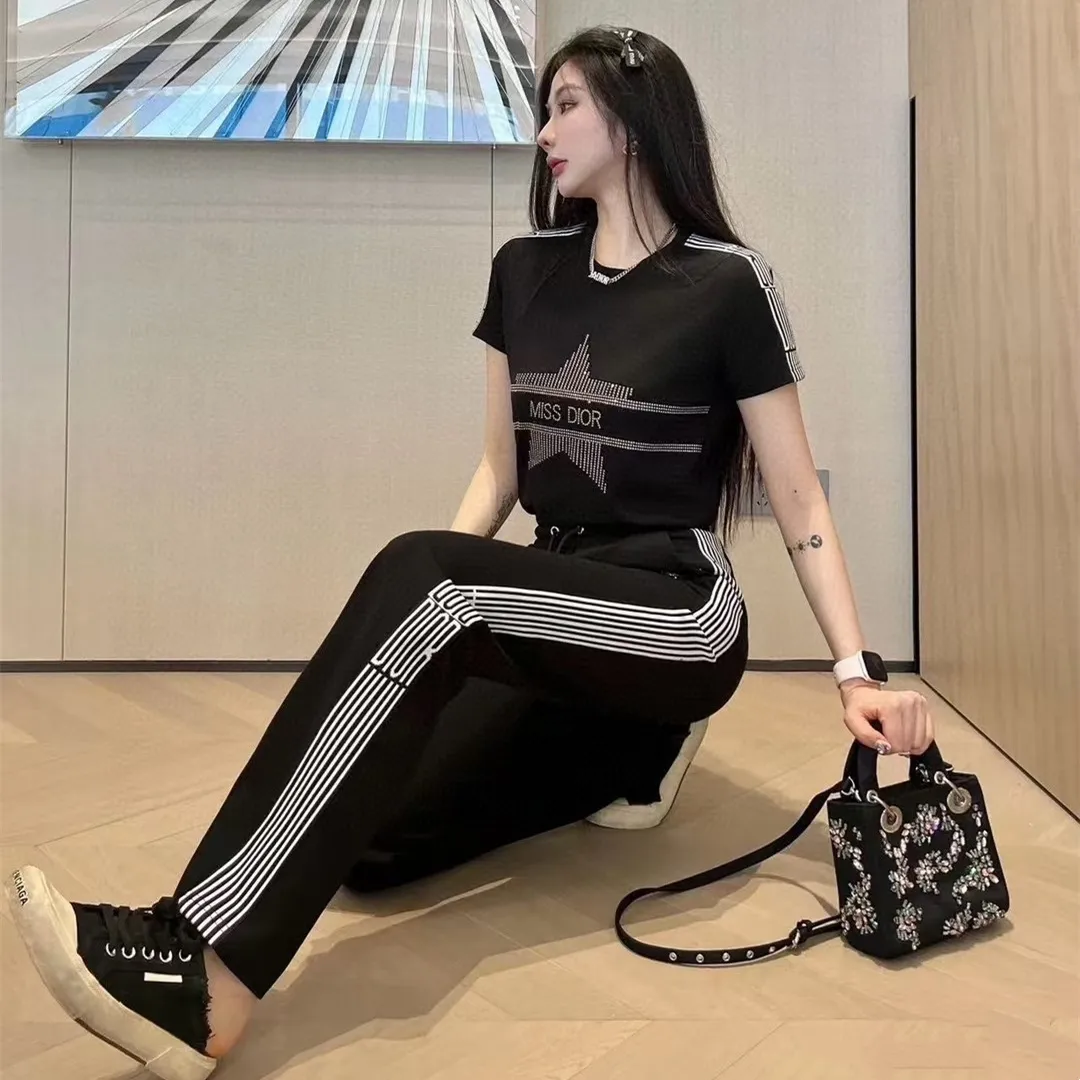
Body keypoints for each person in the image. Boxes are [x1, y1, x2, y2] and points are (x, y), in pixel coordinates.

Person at [6, 25, 935, 1080]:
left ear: (635, 121)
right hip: (558, 594)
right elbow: (500, 469)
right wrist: (438, 616)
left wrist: (856, 671)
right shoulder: (524, 271)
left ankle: (199, 967)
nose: (544, 131)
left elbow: (799, 495)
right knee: (367, 842)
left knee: (432, 578)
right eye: (544, 108)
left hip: (674, 603)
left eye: (566, 105)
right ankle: (630, 750)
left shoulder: (727, 283)